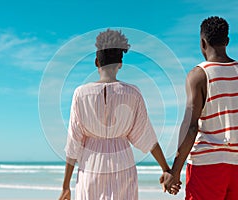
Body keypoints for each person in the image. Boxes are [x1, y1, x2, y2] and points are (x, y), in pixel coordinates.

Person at [58, 29, 176, 200]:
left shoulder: (81, 94)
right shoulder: (133, 93)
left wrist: (65, 186)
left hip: (90, 166)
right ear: (120, 63)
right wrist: (165, 168)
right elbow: (147, 135)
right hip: (123, 164)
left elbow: (73, 143)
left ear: (96, 62)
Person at [167, 16, 238, 199]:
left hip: (207, 167)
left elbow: (191, 126)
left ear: (202, 42)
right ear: (227, 41)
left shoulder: (199, 75)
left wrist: (175, 171)